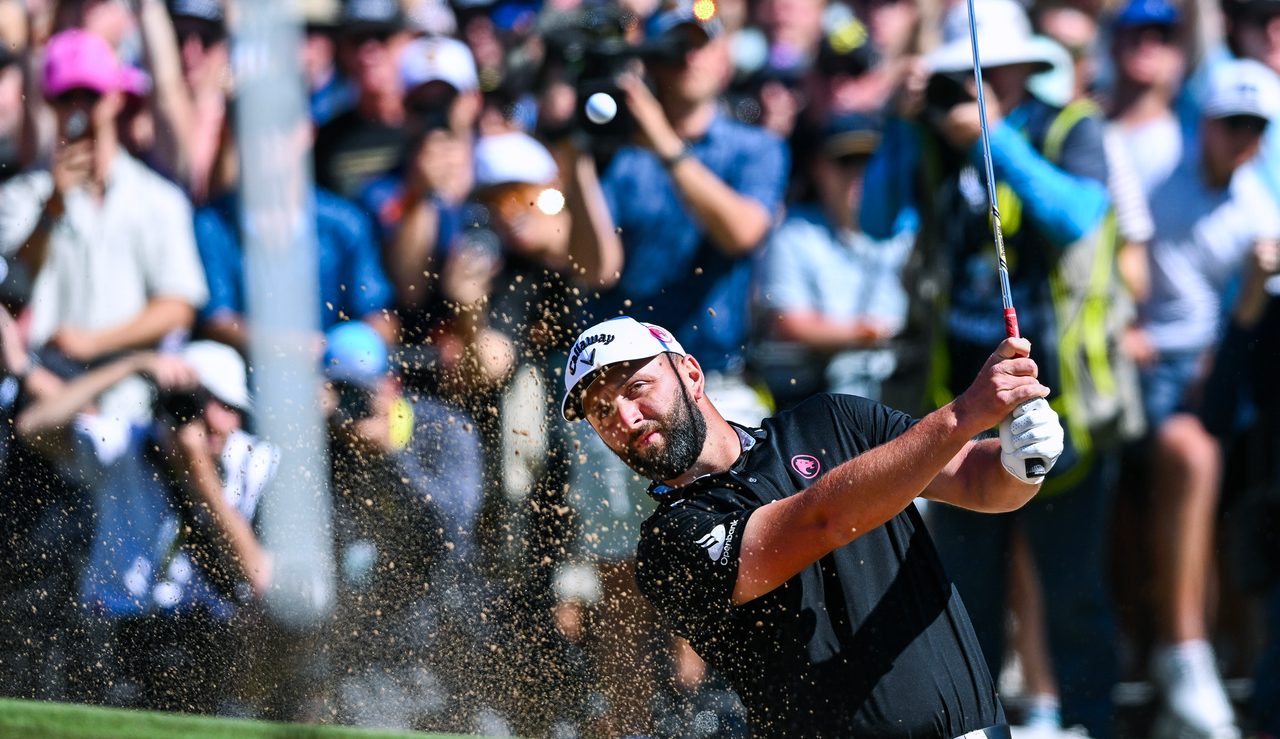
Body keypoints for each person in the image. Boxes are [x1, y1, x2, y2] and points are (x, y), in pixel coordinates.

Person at [558, 315, 1065, 737]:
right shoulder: (668, 546)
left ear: (691, 374)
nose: (625, 416)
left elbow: (979, 483)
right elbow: (824, 520)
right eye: (601, 412)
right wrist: (963, 414)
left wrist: (1022, 460)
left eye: (637, 388)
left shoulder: (832, 420)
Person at [863, 0, 1123, 732]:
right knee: (966, 593)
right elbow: (877, 217)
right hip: (967, 408)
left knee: (1072, 590)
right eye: (951, 80)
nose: (966, 89)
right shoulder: (929, 139)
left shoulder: (1070, 127)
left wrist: (991, 138)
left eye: (974, 76)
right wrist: (900, 121)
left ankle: (1091, 719)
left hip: (1066, 394)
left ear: (1018, 69)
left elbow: (1076, 217)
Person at [1131, 58, 1280, 739]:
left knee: (1206, 459)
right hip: (1151, 367)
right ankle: (1181, 653)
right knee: (1190, 455)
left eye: (1255, 126)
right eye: (1231, 123)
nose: (1243, 138)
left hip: (1225, 373)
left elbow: (1244, 331)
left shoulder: (1261, 209)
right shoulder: (1153, 180)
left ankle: (1210, 659)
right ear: (1206, 124)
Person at [15, 341, 275, 713]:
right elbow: (33, 427)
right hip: (115, 633)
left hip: (205, 638)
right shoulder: (128, 442)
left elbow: (261, 577)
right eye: (200, 404)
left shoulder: (256, 462)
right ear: (165, 404)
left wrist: (201, 475)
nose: (215, 421)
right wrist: (130, 364)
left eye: (229, 407)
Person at [565, 3, 789, 425]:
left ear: (724, 59)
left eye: (700, 44)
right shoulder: (616, 152)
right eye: (674, 47)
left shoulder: (756, 147)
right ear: (652, 63)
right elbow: (594, 268)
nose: (688, 57)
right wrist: (576, 151)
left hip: (713, 380)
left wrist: (663, 141)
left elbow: (741, 233)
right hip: (621, 385)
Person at [0, 29, 208, 423]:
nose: (79, 109)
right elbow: (11, 295)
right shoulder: (21, 196)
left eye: (90, 95)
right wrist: (52, 207)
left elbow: (178, 305)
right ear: (49, 102)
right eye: (67, 97)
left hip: (135, 399)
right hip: (46, 398)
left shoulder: (158, 198)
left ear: (114, 98)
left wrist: (94, 344)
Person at [755, 113, 914, 410]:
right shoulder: (793, 235)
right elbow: (790, 324)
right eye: (845, 162)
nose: (859, 174)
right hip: (817, 400)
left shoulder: (910, 232)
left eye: (870, 162)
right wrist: (878, 333)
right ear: (817, 169)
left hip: (904, 394)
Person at [312, 0, 414, 199]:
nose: (369, 51)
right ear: (341, 50)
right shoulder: (326, 140)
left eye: (382, 36)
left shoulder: (429, 125)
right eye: (357, 39)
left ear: (406, 43)